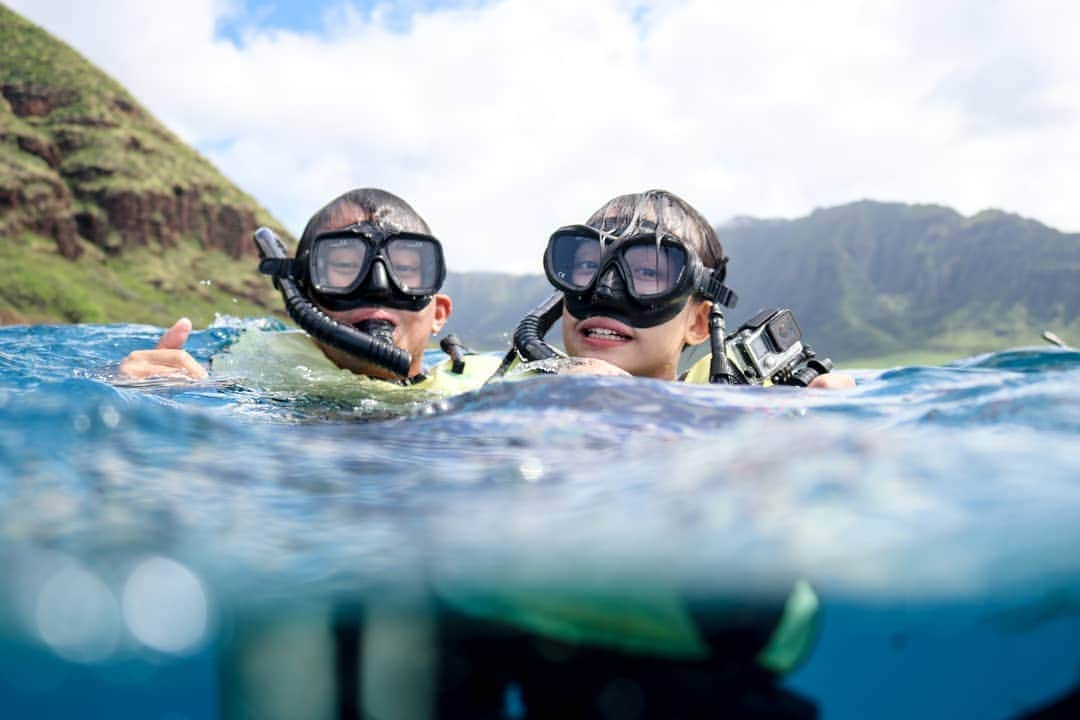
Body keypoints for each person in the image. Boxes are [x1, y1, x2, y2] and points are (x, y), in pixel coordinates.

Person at [118, 188, 498, 392]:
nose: (378, 286)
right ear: (301, 299)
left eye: (405, 270)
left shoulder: (482, 389)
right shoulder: (254, 376)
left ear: (440, 313)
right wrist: (143, 387)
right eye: (345, 267)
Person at [515, 188, 855, 389]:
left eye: (648, 272)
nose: (604, 291)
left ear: (698, 323)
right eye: (588, 266)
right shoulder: (506, 392)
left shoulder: (737, 417)